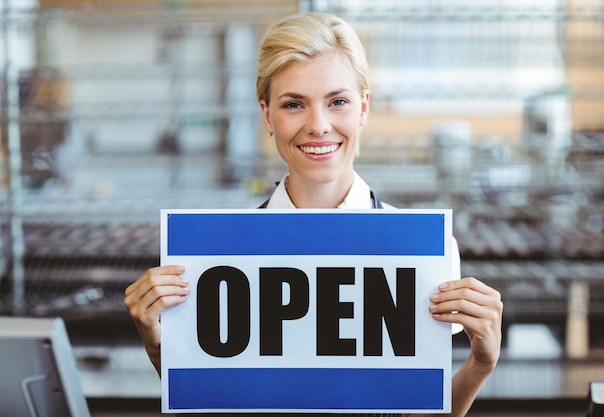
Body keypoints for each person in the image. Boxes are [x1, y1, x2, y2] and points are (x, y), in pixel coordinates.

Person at [124, 12, 503, 417]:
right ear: (268, 115)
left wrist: (480, 364)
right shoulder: (215, 259)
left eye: (337, 101)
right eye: (293, 104)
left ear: (363, 108)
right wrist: (159, 347)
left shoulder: (427, 252)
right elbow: (219, 403)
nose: (318, 125)